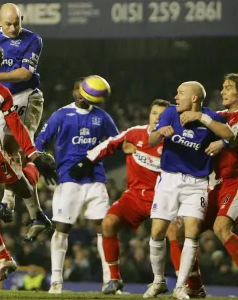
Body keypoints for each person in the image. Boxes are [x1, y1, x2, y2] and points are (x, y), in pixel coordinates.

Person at [171, 73, 238, 300]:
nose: (222, 92)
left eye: (228, 88)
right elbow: (199, 125)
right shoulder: (219, 115)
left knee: (221, 228)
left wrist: (220, 138)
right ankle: (195, 286)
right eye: (222, 87)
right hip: (215, 183)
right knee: (180, 231)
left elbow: (230, 133)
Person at [69, 99, 171, 294]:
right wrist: (88, 161)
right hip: (133, 197)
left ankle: (188, 282)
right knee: (108, 223)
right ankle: (114, 279)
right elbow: (110, 143)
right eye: (154, 112)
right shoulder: (135, 134)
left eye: (162, 114)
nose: (157, 117)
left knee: (176, 233)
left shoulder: (173, 141)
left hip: (161, 197)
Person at [35, 77, 119, 294]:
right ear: (74, 92)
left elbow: (117, 142)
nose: (81, 93)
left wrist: (96, 155)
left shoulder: (101, 117)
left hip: (96, 179)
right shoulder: (61, 114)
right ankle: (56, 281)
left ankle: (110, 281)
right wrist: (41, 161)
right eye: (78, 89)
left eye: (86, 90)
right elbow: (40, 141)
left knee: (104, 229)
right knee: (62, 229)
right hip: (68, 179)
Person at [144, 81, 226, 300]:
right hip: (168, 180)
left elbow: (229, 134)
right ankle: (159, 280)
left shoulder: (211, 117)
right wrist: (159, 131)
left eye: (181, 93)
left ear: (195, 98)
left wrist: (205, 124)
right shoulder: (170, 112)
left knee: (191, 233)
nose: (176, 97)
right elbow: (151, 142)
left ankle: (181, 286)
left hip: (197, 183)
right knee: (157, 233)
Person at [0, 45, 56, 282]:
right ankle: (4, 257)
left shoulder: (1, 93)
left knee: (20, 184)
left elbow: (17, 128)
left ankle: (38, 215)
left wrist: (33, 155)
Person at [0, 3, 51, 242]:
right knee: (6, 151)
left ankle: (8, 202)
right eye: (8, 23)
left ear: (22, 19)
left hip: (25, 95)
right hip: (0, 96)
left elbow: (25, 74)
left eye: (16, 22)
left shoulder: (33, 40)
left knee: (12, 147)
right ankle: (37, 215)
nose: (13, 27)